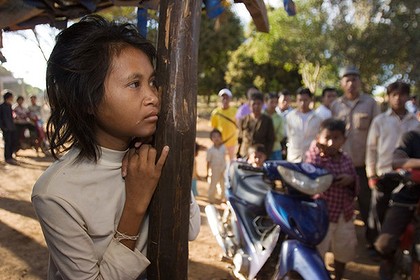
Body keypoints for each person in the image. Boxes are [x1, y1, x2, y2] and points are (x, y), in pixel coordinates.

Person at [31, 15, 200, 280]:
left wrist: (169, 159)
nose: (153, 97)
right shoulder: (55, 193)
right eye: (134, 84)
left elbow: (189, 231)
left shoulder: (151, 156)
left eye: (152, 82)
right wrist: (135, 202)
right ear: (88, 100)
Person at [330, 66, 380, 248]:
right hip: (340, 165)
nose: (351, 83)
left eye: (354, 79)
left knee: (367, 205)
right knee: (339, 205)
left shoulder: (371, 103)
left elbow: (377, 135)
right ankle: (336, 243)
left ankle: (372, 243)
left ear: (360, 82)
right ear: (342, 83)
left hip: (362, 165)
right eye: (347, 80)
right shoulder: (336, 105)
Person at [305, 118, 359, 280]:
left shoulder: (346, 159)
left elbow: (355, 179)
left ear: (344, 140)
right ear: (318, 138)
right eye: (327, 138)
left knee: (343, 249)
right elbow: (313, 173)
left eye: (336, 138)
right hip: (323, 214)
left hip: (345, 213)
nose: (331, 143)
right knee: (319, 250)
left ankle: (338, 276)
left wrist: (350, 180)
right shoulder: (315, 156)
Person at [365, 81, 419, 240]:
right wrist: (371, 174)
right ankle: (374, 244)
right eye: (394, 95)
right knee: (377, 210)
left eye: (402, 95)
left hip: (407, 178)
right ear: (388, 97)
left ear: (408, 97)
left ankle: (394, 249)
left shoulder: (415, 123)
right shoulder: (380, 121)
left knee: (398, 214)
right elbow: (371, 148)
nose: (398, 98)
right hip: (383, 173)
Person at [374, 122, 420, 279]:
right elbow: (397, 161)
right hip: (407, 198)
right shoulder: (411, 137)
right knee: (384, 244)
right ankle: (388, 265)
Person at [285, 87, 322, 163]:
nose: (303, 103)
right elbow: (288, 135)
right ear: (296, 100)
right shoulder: (290, 117)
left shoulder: (318, 118)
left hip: (311, 157)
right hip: (294, 157)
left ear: (311, 100)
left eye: (305, 100)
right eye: (300, 100)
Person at [237, 91, 275, 159]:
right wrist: (238, 154)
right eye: (254, 104)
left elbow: (271, 140)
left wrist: (266, 155)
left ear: (262, 104)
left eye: (259, 104)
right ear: (249, 105)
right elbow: (239, 138)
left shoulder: (267, 120)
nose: (256, 106)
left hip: (260, 157)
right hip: (245, 154)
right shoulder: (243, 120)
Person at [210, 88, 238, 161]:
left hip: (232, 141)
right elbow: (214, 128)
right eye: (223, 97)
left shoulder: (235, 111)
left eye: (227, 97)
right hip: (220, 142)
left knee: (231, 161)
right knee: (220, 161)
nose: (225, 99)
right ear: (220, 98)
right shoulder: (215, 112)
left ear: (230, 98)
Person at [206, 129, 227, 204]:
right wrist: (207, 171)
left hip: (223, 169)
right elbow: (208, 161)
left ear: (221, 137)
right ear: (211, 139)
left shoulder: (223, 147)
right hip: (214, 169)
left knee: (223, 184)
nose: (216, 138)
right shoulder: (210, 150)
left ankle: (223, 198)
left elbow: (225, 157)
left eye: (218, 136)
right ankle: (211, 199)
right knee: (213, 184)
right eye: (214, 136)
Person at [263, 92, 284, 160]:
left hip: (275, 149)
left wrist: (270, 137)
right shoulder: (261, 115)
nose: (274, 105)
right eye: (271, 102)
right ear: (266, 102)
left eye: (276, 102)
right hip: (262, 149)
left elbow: (280, 135)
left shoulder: (279, 118)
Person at [0, 90, 18, 165]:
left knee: (12, 142)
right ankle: (7, 158)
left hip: (11, 127)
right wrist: (3, 127)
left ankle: (10, 156)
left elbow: (11, 117)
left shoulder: (9, 106)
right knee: (7, 143)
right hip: (6, 128)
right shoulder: (1, 106)